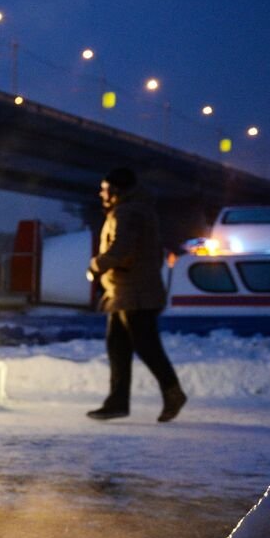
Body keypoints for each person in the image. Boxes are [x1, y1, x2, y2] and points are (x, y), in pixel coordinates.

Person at [86, 167, 187, 422]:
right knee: (118, 348)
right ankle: (117, 402)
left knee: (146, 346)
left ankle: (172, 393)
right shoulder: (136, 210)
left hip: (135, 294)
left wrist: (96, 265)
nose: (101, 193)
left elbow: (122, 250)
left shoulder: (128, 212)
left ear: (117, 190)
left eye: (105, 189)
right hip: (124, 292)